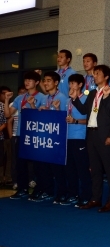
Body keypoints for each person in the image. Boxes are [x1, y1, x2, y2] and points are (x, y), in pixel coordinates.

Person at [70, 65, 110, 211]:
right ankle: (95, 198)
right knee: (95, 169)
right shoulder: (91, 93)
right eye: (94, 73)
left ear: (106, 77)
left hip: (105, 135)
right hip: (91, 134)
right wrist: (75, 99)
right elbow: (85, 110)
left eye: (97, 73)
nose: (94, 76)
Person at [29, 71, 69, 203]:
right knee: (44, 167)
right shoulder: (47, 98)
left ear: (56, 83)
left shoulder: (63, 98)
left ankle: (62, 193)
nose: (45, 83)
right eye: (44, 80)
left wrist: (53, 111)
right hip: (47, 139)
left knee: (58, 169)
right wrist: (37, 108)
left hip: (58, 140)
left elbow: (64, 119)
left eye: (48, 80)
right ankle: (48, 190)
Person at [5, 72, 46, 200]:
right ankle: (22, 188)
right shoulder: (19, 98)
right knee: (20, 164)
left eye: (30, 80)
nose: (27, 82)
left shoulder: (43, 97)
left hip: (35, 135)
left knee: (38, 165)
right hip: (20, 134)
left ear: (37, 82)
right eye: (26, 80)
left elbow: (42, 117)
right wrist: (7, 100)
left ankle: (40, 189)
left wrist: (33, 104)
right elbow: (7, 115)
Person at [66, 74, 92, 208]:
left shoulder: (86, 98)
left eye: (74, 84)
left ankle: (86, 196)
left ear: (80, 85)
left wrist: (76, 121)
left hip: (80, 138)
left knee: (82, 169)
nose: (71, 86)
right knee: (70, 169)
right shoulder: (68, 100)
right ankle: (73, 194)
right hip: (67, 138)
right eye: (70, 84)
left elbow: (91, 120)